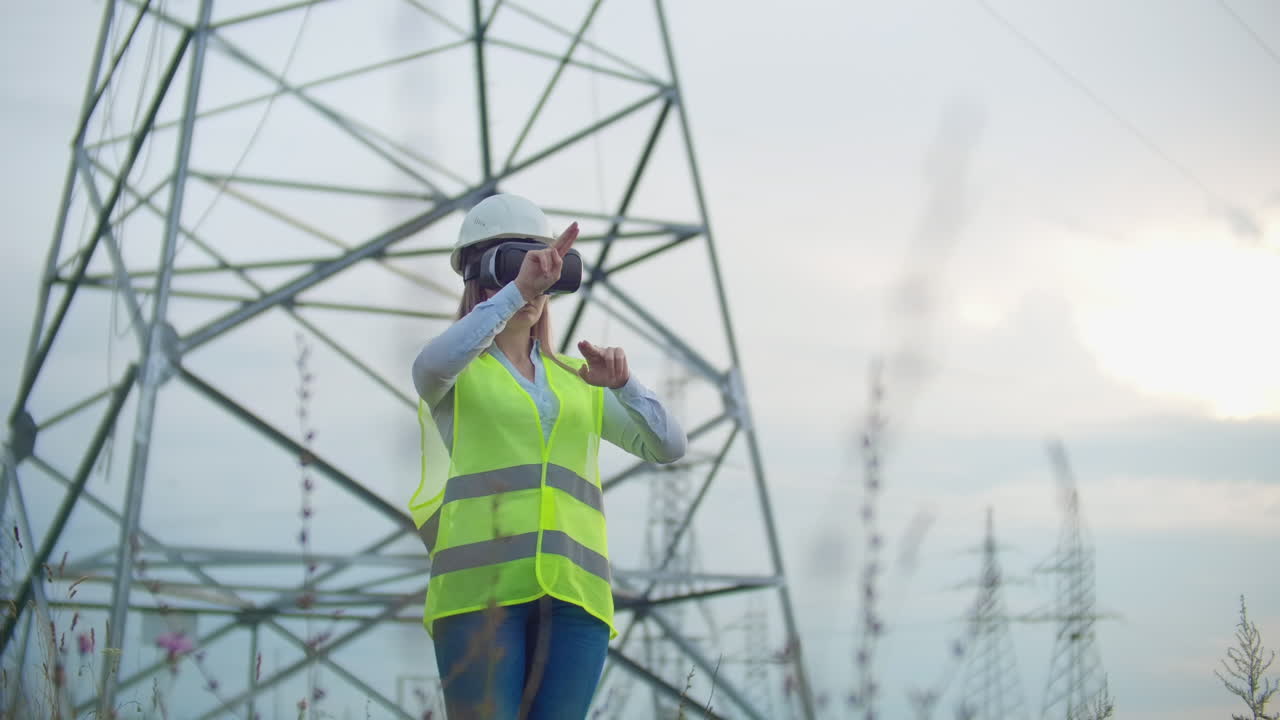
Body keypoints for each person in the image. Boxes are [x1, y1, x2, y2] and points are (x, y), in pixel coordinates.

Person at [408, 193, 687, 719]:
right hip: (479, 597)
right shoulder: (456, 373)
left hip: (576, 596)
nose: (537, 282)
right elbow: (432, 362)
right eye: (516, 265)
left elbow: (669, 446)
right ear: (477, 275)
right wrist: (516, 294)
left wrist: (626, 385)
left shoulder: (576, 381)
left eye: (545, 270)